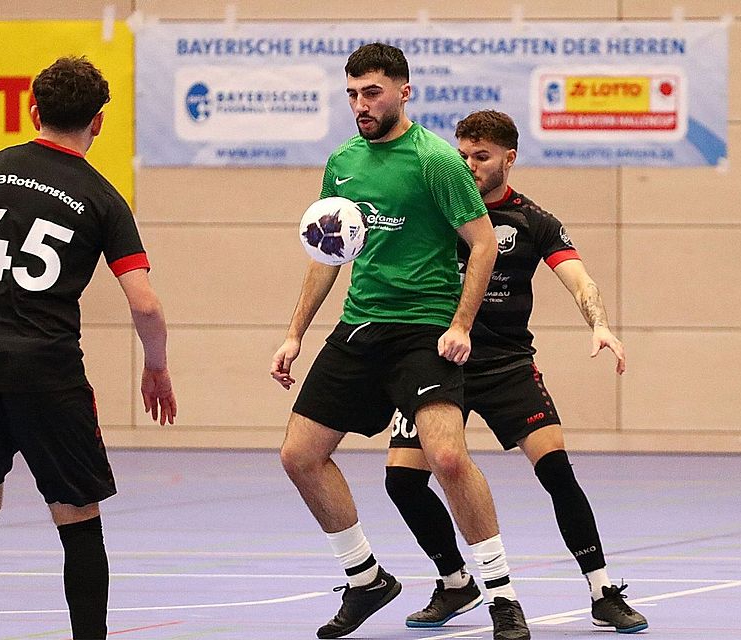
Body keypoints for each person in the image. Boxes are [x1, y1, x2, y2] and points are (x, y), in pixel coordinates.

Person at [0, 56, 177, 640]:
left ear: (33, 111)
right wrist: (156, 367)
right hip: (48, 374)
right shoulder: (103, 198)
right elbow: (144, 303)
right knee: (78, 517)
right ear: (98, 123)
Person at [271, 44, 530, 640]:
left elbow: (484, 243)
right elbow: (328, 254)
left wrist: (460, 324)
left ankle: (502, 596)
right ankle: (365, 579)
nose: (361, 105)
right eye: (353, 94)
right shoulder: (343, 162)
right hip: (362, 325)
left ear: (403, 92)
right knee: (299, 455)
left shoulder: (436, 159)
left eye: (373, 93)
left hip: (424, 330)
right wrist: (293, 334)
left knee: (445, 457)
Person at [384, 109, 648, 634]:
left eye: (480, 157)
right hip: (435, 363)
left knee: (556, 471)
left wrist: (599, 324)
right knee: (401, 481)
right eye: (461, 155)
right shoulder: (437, 211)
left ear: (509, 158)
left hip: (505, 364)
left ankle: (602, 591)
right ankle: (456, 581)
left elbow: (578, 278)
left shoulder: (534, 221)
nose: (469, 165)